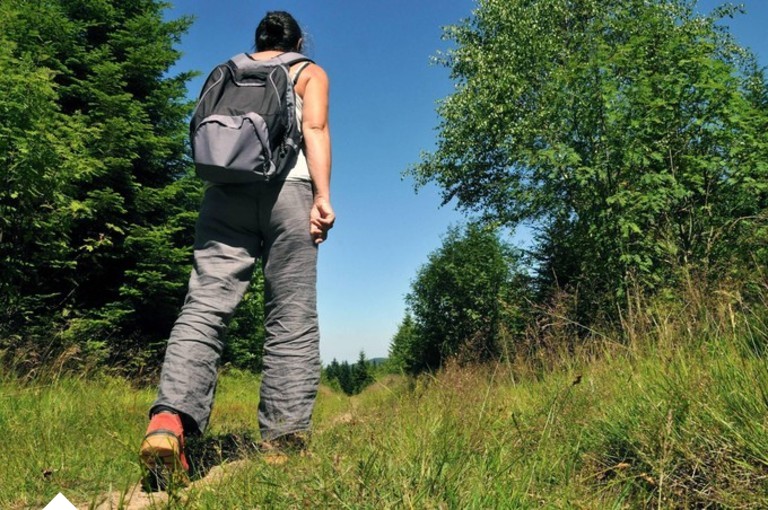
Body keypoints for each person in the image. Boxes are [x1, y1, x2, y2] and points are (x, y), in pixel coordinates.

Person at [139, 10, 334, 477]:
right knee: (291, 313)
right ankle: (283, 441)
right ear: (298, 41)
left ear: (258, 39)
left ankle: (168, 421)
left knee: (204, 305)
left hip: (223, 195)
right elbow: (315, 131)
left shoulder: (228, 68)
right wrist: (323, 197)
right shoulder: (307, 71)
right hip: (290, 193)